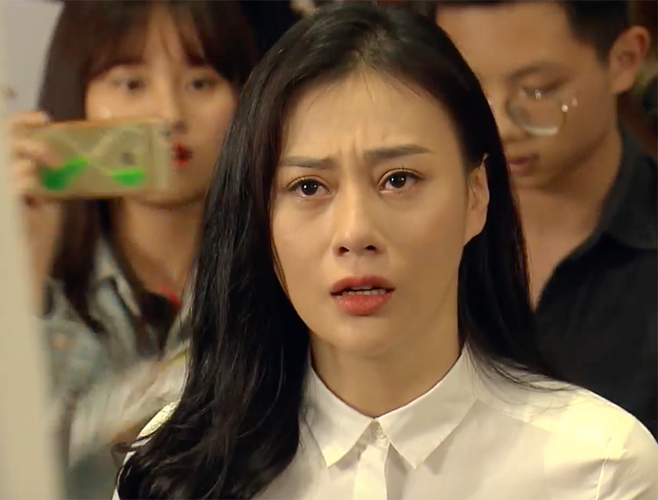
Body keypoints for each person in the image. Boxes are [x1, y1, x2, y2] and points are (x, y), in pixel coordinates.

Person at [115, 4, 658, 500]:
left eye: (399, 179)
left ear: (476, 195)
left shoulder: (597, 467)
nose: (355, 232)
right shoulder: (177, 467)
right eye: (308, 187)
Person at [7, 0, 293, 498]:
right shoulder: (40, 279)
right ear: (78, 99)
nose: (169, 115)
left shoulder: (285, 277)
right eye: (131, 84)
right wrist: (20, 274)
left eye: (200, 83)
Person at [413, 0, 658, 437]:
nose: (500, 125)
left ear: (624, 60)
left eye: (538, 90)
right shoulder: (410, 230)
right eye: (471, 89)